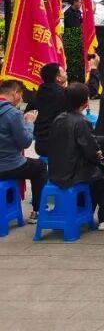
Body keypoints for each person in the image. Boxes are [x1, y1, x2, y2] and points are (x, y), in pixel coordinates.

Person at [47, 83, 104, 229]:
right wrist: (99, 158)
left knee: (99, 168)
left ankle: (84, 210)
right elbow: (91, 151)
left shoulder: (58, 118)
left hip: (56, 170)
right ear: (85, 102)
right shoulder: (82, 122)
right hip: (74, 173)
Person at [0, 80, 45, 224]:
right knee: (40, 167)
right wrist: (29, 122)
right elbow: (25, 141)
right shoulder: (13, 113)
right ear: (15, 93)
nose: (21, 99)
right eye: (21, 95)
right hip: (9, 165)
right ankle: (37, 211)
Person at [28, 62, 66, 158]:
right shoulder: (64, 95)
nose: (66, 73)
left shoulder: (37, 95)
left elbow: (28, 115)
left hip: (40, 144)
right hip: (60, 145)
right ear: (58, 78)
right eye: (64, 72)